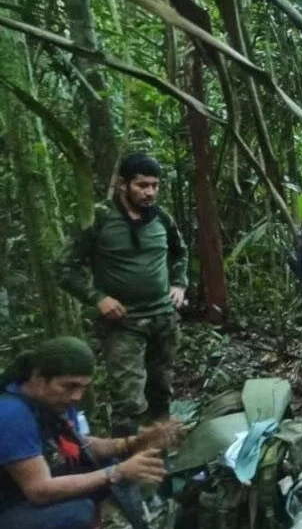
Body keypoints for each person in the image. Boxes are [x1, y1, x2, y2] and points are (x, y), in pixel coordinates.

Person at [57, 153, 188, 437]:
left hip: (163, 319)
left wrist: (179, 284)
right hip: (123, 323)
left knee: (162, 391)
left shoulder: (162, 218)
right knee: (129, 402)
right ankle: (128, 458)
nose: (150, 192)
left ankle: (160, 451)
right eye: (142, 185)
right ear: (122, 184)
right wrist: (98, 298)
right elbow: (65, 269)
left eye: (154, 185)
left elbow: (180, 252)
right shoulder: (98, 218)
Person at [0, 337, 181, 528]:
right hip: (11, 506)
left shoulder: (54, 401)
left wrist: (133, 442)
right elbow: (39, 491)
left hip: (27, 497)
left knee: (110, 465)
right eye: (69, 386)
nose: (77, 396)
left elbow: (81, 446)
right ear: (38, 378)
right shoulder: (12, 415)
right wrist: (117, 472)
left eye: (83, 387)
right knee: (77, 513)